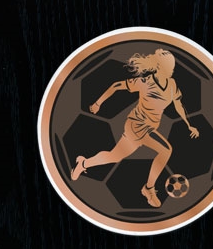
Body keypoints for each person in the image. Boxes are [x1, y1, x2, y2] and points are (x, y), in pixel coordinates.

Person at [71, 48, 199, 207]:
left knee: (114, 156)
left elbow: (178, 104)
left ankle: (83, 164)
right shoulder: (145, 82)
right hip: (137, 125)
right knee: (166, 150)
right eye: (169, 67)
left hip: (148, 128)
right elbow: (116, 85)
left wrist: (189, 124)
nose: (172, 70)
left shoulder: (172, 84)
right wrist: (98, 103)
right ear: (160, 67)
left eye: (173, 66)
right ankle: (148, 189)